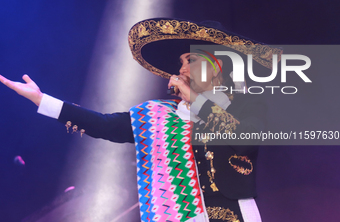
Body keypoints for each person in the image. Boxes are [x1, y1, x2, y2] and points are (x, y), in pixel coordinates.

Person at [0, 18, 282, 222]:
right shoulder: (158, 114)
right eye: (181, 61)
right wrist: (41, 100)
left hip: (231, 215)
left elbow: (245, 141)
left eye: (191, 60)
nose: (181, 67)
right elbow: (104, 125)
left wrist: (195, 100)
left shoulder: (245, 104)